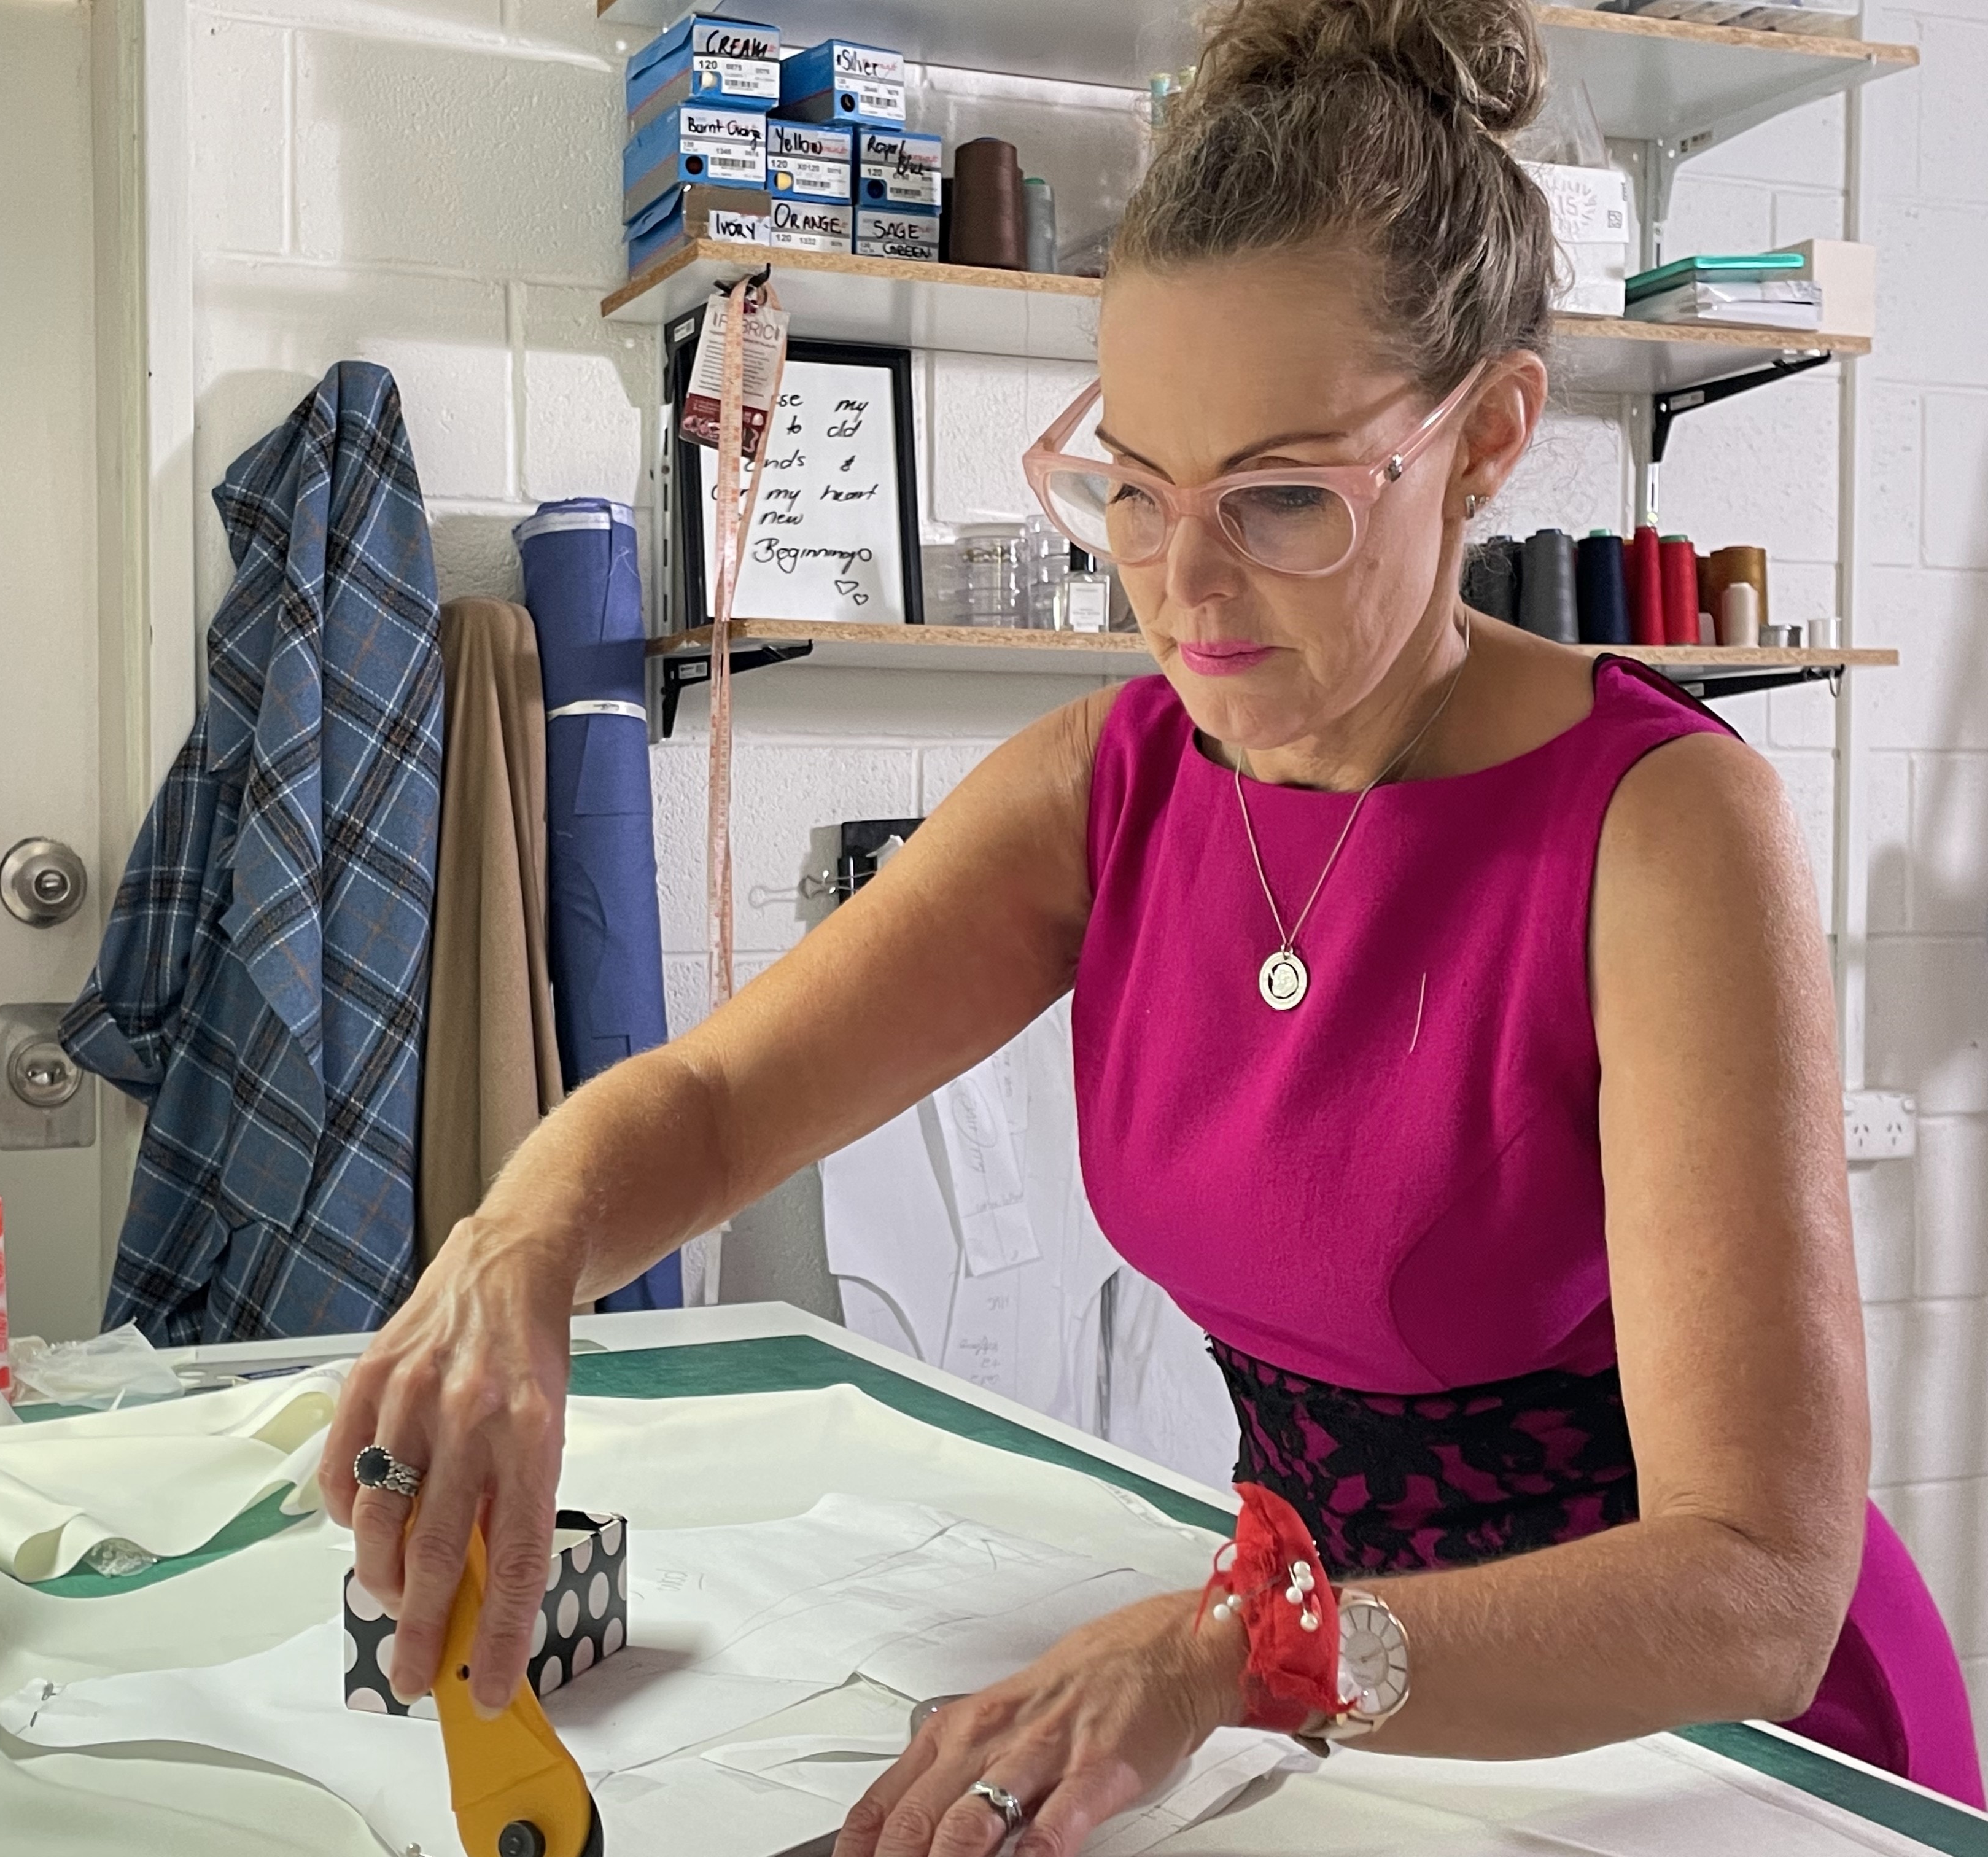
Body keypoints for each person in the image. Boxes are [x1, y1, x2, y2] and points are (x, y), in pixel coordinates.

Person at [326, 0, 1927, 1848]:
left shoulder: (1660, 830)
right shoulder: (1108, 791)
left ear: (1492, 435)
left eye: (1281, 500)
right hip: (1324, 1722)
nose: (1185, 589)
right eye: (1135, 493)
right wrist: (517, 1252)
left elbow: (1758, 1589)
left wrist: (1241, 1654)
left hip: (1709, 1763)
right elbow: (709, 1110)